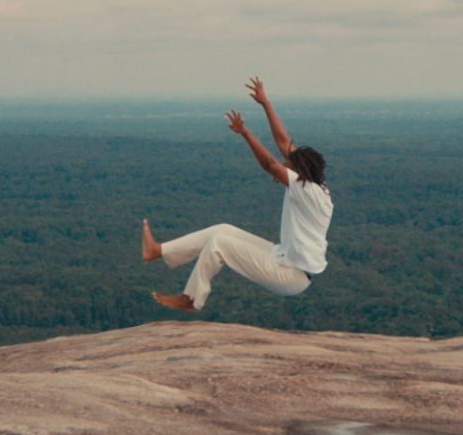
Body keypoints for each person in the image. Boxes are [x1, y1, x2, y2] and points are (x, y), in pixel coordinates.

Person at [141, 77, 331, 314]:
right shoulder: (314, 185)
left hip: (290, 276)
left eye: (288, 165)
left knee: (219, 244)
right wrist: (265, 103)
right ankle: (158, 251)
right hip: (284, 259)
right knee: (221, 230)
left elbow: (270, 164)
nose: (284, 165)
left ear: (299, 171)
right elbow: (284, 142)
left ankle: (191, 299)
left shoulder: (306, 189)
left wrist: (245, 132)